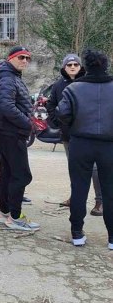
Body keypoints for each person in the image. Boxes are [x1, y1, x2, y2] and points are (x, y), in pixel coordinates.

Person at [57, 49, 113, 249]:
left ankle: (77, 234)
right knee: (110, 190)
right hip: (109, 145)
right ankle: (112, 239)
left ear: (85, 67)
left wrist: (73, 126)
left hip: (80, 143)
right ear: (106, 65)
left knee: (79, 188)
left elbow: (62, 114)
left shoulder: (73, 89)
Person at [46, 53, 103, 215]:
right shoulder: (58, 85)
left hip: (87, 135)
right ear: (64, 67)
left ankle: (100, 201)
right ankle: (76, 198)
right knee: (74, 168)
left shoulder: (88, 83)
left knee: (93, 168)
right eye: (69, 65)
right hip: (68, 136)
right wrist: (57, 122)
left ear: (81, 67)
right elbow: (51, 105)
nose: (72, 67)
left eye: (75, 65)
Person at [0, 46, 39, 231]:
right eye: (21, 57)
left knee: (8, 173)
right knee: (22, 175)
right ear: (11, 58)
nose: (25, 61)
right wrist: (28, 123)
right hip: (9, 132)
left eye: (27, 58)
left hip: (5, 131)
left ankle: (5, 213)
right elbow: (6, 106)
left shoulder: (10, 76)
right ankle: (16, 217)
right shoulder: (8, 77)